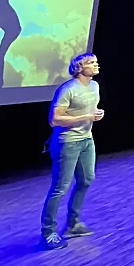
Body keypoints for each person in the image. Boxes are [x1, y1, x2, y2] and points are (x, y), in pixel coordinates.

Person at [40, 53, 104, 250]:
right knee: (60, 187)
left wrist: (96, 114)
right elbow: (55, 120)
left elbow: (89, 111)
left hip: (86, 140)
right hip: (67, 142)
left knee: (86, 179)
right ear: (79, 67)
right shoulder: (68, 89)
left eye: (96, 62)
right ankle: (48, 232)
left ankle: (73, 224)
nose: (96, 65)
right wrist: (86, 116)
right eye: (91, 63)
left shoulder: (94, 86)